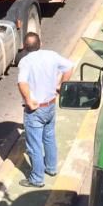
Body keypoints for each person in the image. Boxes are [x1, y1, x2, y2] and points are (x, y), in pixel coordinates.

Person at [16, 32, 73, 188]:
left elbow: (22, 83)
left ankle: (37, 178)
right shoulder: (51, 55)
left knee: (34, 146)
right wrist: (62, 85)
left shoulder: (25, 62)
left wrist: (29, 101)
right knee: (49, 138)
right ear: (40, 43)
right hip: (50, 105)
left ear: (25, 47)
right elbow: (69, 66)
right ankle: (51, 168)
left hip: (35, 110)